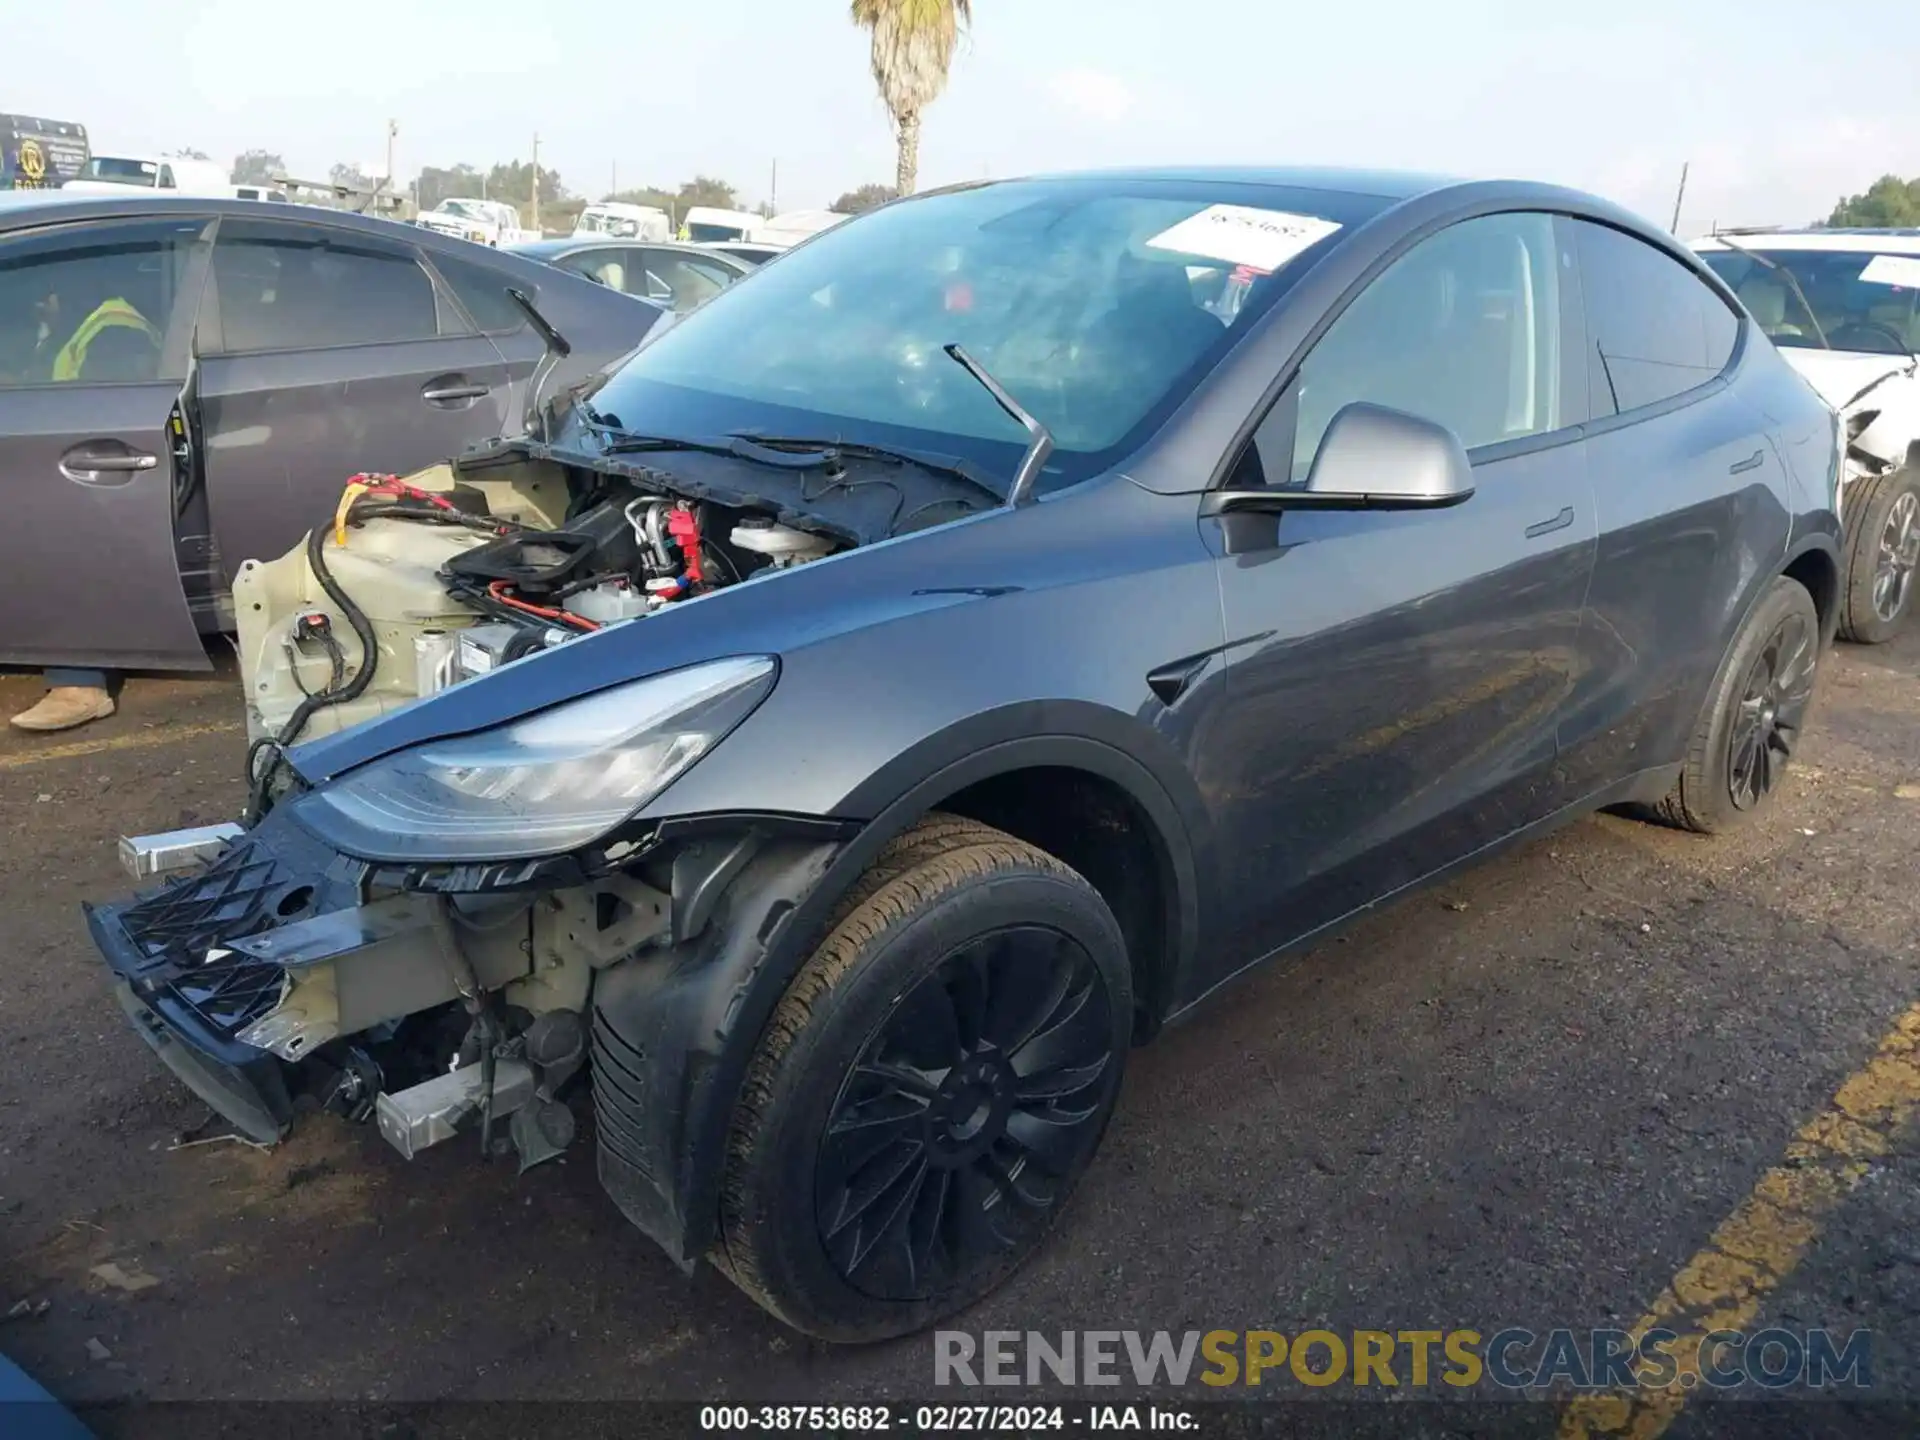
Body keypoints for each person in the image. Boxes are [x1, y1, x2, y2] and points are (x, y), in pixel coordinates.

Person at [8, 276, 159, 733]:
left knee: (59, 548)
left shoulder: (115, 330)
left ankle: (81, 682)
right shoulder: (83, 327)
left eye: (46, 295)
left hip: (94, 469)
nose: (42, 305)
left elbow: (110, 406)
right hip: (65, 458)